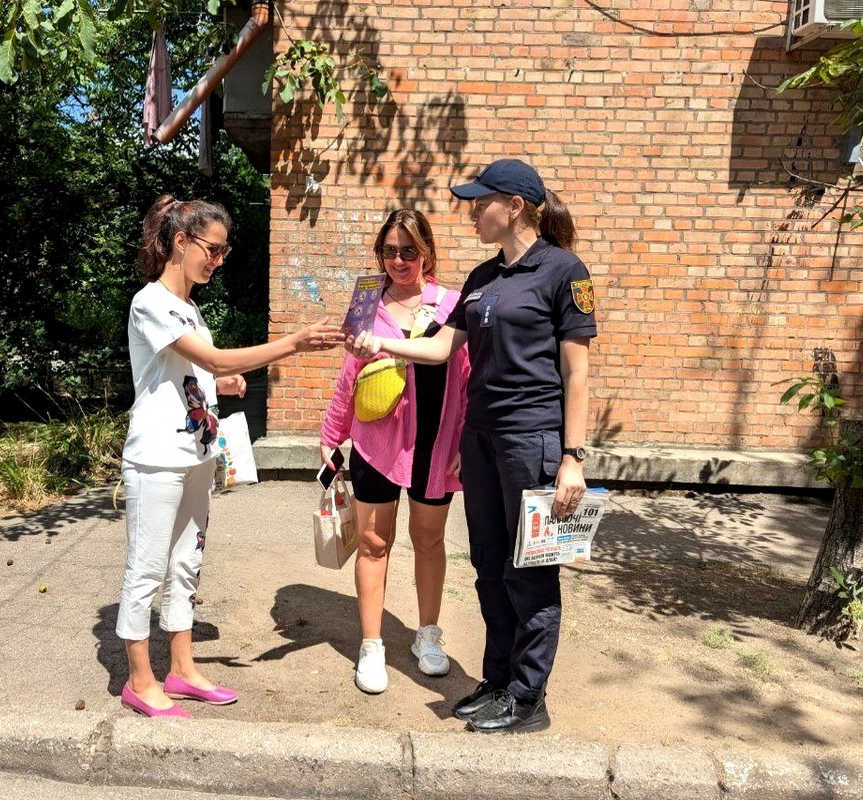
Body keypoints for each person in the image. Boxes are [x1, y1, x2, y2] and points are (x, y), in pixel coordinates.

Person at [347, 161, 597, 733]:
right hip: (481, 442)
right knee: (487, 563)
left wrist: (571, 457)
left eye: (478, 201)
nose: (470, 212)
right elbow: (439, 351)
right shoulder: (482, 278)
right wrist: (379, 342)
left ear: (513, 205)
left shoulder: (563, 271)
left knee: (530, 569)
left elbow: (576, 374)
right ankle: (499, 678)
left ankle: (529, 696)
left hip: (532, 439)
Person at [118, 195, 343, 718]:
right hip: (157, 458)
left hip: (195, 454)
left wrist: (220, 382)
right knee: (147, 568)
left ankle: (182, 668)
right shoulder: (149, 302)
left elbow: (188, 370)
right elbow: (208, 355)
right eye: (212, 250)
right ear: (181, 241)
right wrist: (292, 343)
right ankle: (138, 678)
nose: (217, 261)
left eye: (223, 252)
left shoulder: (189, 308)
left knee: (186, 564)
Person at [319, 209, 470, 695]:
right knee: (373, 542)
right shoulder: (368, 298)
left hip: (435, 441)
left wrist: (466, 438)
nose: (398, 260)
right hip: (376, 439)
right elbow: (350, 370)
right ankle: (371, 644)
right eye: (389, 251)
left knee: (428, 539)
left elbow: (469, 376)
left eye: (408, 250)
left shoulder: (450, 303)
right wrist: (332, 430)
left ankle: (427, 635)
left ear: (426, 250)